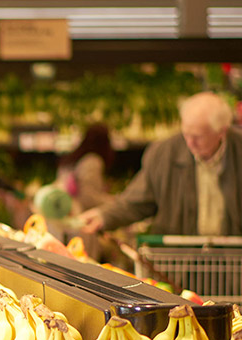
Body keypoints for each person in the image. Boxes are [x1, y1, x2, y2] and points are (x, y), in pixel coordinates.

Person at [79, 91, 242, 236]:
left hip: (235, 261)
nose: (190, 142)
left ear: (222, 131)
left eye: (198, 136)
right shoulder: (164, 154)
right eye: (186, 133)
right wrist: (104, 216)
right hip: (180, 261)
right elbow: (137, 201)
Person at [59, 122, 115, 214]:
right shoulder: (92, 161)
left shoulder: (74, 159)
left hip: (64, 212)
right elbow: (88, 197)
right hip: (80, 215)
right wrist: (114, 202)